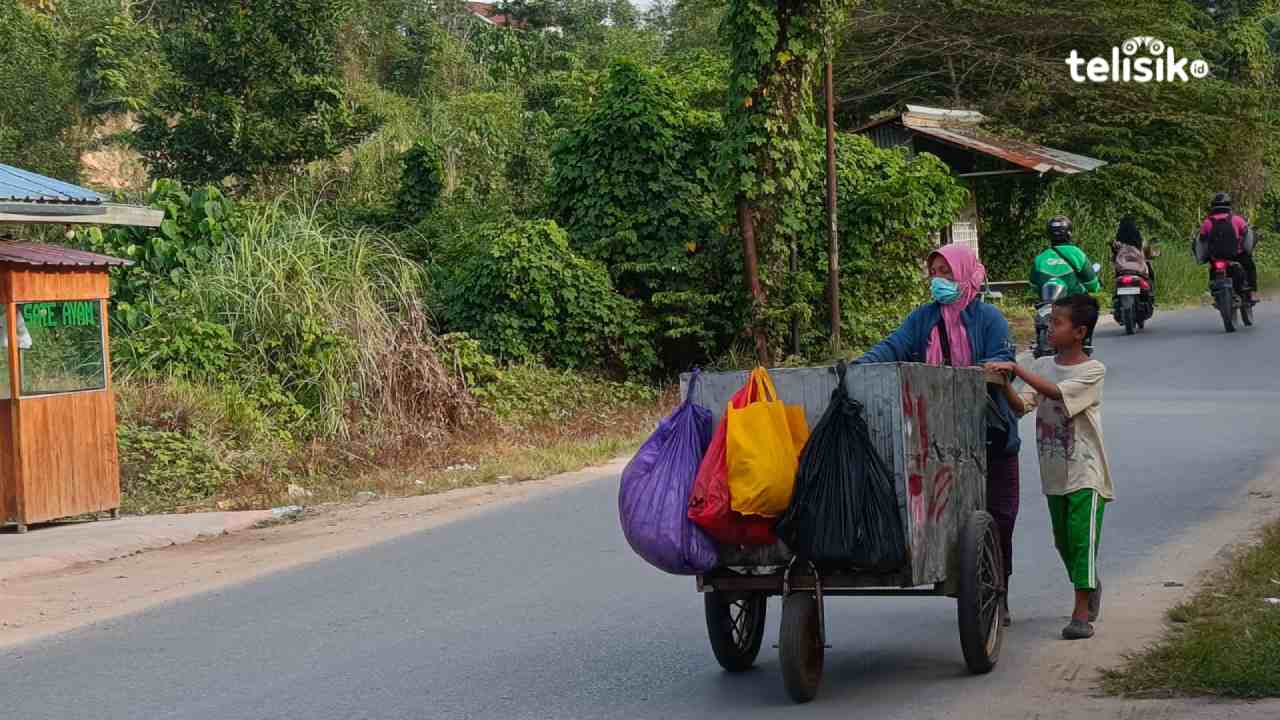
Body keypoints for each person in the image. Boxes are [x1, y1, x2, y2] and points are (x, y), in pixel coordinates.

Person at [857, 244, 1020, 625]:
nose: (937, 281)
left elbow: (1001, 363)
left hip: (989, 436)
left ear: (964, 274)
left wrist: (974, 375)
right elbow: (893, 347)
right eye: (933, 272)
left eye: (946, 272)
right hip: (935, 438)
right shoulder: (922, 319)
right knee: (932, 514)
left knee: (1001, 517)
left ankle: (999, 589)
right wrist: (859, 367)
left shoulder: (989, 319)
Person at [987, 294, 1113, 641]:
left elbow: (1056, 393)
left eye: (1058, 322)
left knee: (1082, 541)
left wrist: (1016, 369)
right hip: (1054, 473)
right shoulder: (1042, 366)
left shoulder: (1092, 370)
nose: (1049, 328)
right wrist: (1001, 386)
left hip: (1086, 472)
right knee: (1064, 543)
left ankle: (1080, 615)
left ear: (1079, 331)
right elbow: (1021, 406)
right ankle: (1089, 585)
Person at [1198, 192, 1258, 304]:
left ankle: (1215, 296)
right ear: (1228, 205)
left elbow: (1202, 240)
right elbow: (1247, 233)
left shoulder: (1207, 222)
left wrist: (1205, 256)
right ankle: (1252, 293)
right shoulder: (1237, 219)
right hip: (1236, 255)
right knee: (1250, 266)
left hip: (1215, 257)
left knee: (1213, 271)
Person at [1031, 216, 1101, 298]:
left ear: (1049, 234)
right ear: (1069, 233)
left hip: (1047, 304)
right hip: (1073, 304)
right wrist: (1096, 287)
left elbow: (1034, 286)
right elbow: (1091, 283)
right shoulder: (1077, 254)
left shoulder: (1040, 258)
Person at [1113, 216, 1155, 295]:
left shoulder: (1117, 243)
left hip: (1122, 271)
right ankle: (1151, 294)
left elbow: (1114, 256)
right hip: (1139, 270)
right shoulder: (1141, 242)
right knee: (1150, 273)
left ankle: (1116, 296)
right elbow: (1149, 253)